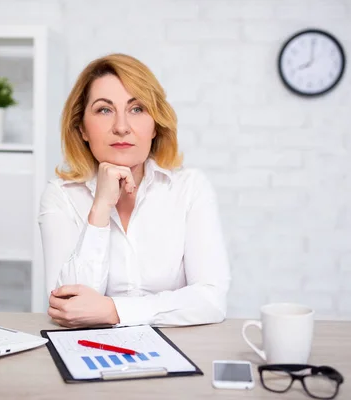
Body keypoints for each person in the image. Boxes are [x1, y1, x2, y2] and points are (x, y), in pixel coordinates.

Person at [38, 53, 231, 329]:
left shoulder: (189, 188)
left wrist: (114, 310)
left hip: (179, 348)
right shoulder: (61, 195)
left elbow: (211, 299)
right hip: (90, 350)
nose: (121, 127)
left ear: (155, 125)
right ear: (81, 128)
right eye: (104, 110)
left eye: (137, 109)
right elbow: (68, 309)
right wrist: (100, 208)